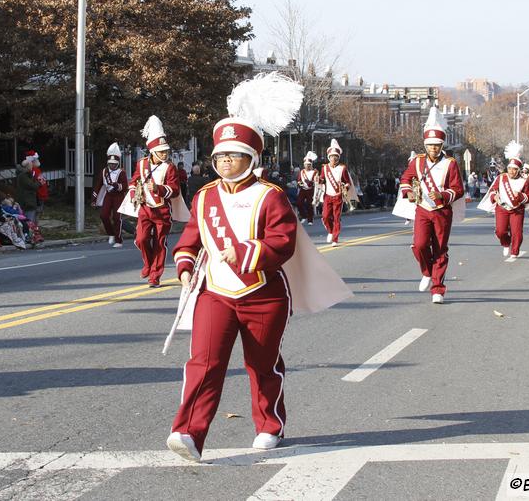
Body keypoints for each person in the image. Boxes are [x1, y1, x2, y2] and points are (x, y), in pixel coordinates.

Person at [166, 72, 351, 463]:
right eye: (219, 156)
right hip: (215, 292)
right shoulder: (204, 197)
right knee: (204, 362)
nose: (224, 161)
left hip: (263, 294)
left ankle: (270, 424)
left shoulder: (270, 196)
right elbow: (191, 239)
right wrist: (184, 265)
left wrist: (247, 252)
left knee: (261, 364)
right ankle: (189, 433)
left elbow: (282, 242)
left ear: (251, 158)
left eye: (232, 155)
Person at [398, 107, 465, 304]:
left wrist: (442, 195)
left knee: (440, 250)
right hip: (423, 209)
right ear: (425, 145)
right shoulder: (417, 162)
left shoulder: (451, 163)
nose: (433, 148)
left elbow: (458, 189)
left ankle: (438, 289)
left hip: (442, 211)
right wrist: (408, 192)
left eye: (436, 145)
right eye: (430, 145)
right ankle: (427, 272)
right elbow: (406, 179)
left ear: (441, 144)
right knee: (419, 245)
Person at [129, 115, 182, 287]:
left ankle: (155, 275)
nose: (165, 154)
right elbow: (134, 181)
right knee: (141, 239)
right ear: (153, 152)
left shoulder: (170, 168)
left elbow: (174, 190)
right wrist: (133, 195)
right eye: (161, 151)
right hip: (145, 208)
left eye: (166, 151)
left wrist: (158, 189)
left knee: (160, 243)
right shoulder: (142, 164)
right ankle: (148, 264)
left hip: (162, 210)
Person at [487, 141, 529, 262]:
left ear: (518, 170)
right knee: (500, 231)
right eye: (510, 168)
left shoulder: (524, 180)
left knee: (517, 232)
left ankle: (515, 251)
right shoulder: (501, 178)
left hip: (517, 209)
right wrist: (494, 197)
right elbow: (492, 191)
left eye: (514, 169)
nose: (511, 171)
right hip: (502, 208)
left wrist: (520, 196)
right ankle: (506, 243)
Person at [93, 143, 127, 247]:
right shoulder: (104, 171)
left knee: (117, 218)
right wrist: (93, 199)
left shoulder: (121, 172)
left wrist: (117, 186)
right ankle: (111, 233)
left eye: (114, 163)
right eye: (110, 163)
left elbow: (125, 186)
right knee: (103, 215)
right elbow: (98, 185)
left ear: (117, 163)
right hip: (108, 196)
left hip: (118, 197)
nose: (112, 165)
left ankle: (118, 240)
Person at [318, 139, 351, 246]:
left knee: (336, 218)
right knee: (325, 216)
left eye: (336, 156)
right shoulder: (324, 168)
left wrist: (345, 187)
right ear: (329, 157)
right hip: (328, 195)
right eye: (332, 156)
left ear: (338, 157)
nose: (334, 158)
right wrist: (318, 180)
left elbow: (348, 182)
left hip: (338, 196)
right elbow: (322, 179)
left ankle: (335, 239)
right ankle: (331, 231)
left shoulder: (343, 168)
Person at [15, 155, 40, 223]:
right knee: (29, 222)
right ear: (27, 166)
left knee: (30, 221)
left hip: (28, 201)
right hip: (27, 203)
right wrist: (39, 182)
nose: (32, 166)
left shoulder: (27, 175)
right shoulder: (23, 176)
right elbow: (32, 185)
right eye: (31, 165)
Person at [296, 151, 318, 225]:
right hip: (303, 189)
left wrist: (310, 182)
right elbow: (299, 180)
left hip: (310, 190)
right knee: (299, 203)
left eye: (309, 165)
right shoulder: (302, 172)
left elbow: (315, 182)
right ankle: (304, 216)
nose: (307, 166)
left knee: (309, 205)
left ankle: (310, 220)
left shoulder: (314, 172)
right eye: (306, 165)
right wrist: (300, 183)